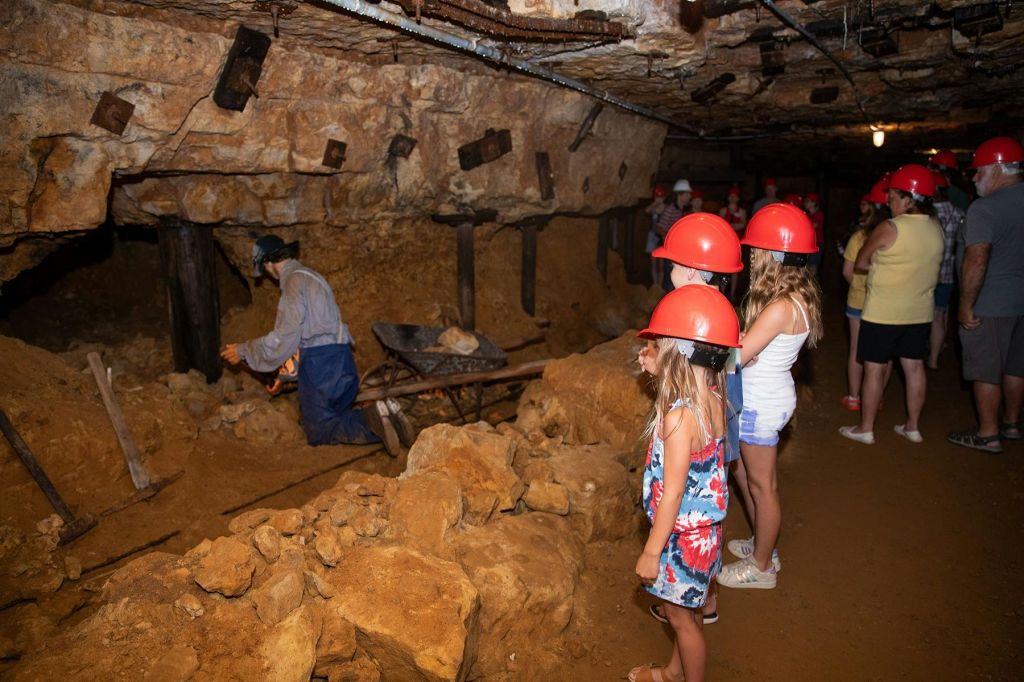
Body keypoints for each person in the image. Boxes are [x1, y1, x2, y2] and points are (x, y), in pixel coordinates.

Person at [629, 285, 740, 682]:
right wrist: (661, 366)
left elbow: (673, 492)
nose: (649, 353)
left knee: (682, 621)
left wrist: (651, 552)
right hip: (703, 535)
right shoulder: (713, 395)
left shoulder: (678, 420)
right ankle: (673, 672)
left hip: (678, 539)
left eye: (657, 347)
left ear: (677, 356)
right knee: (687, 613)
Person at [220, 235, 408, 455]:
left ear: (268, 263)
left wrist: (244, 350)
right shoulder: (312, 277)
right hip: (341, 358)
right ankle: (389, 415)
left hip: (321, 364)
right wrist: (282, 377)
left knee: (320, 430)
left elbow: (284, 337)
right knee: (335, 413)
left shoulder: (292, 283)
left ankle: (372, 421)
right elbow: (305, 340)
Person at [717, 204, 821, 591]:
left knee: (763, 486)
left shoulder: (779, 307)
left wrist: (708, 348)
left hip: (760, 403)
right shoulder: (795, 296)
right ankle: (764, 541)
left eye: (757, 250)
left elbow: (736, 357)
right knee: (744, 475)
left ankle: (762, 565)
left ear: (773, 255)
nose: (753, 256)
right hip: (764, 396)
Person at [647, 213, 743, 628]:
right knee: (710, 487)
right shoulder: (719, 309)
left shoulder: (695, 320)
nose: (668, 270)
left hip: (699, 423)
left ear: (690, 270)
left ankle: (691, 593)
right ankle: (704, 594)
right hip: (716, 415)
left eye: (672, 263)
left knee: (692, 486)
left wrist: (661, 367)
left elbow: (685, 389)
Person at [839, 165, 944, 446]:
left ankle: (866, 428)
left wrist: (878, 265)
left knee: (874, 368)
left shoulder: (890, 227)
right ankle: (912, 427)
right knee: (914, 368)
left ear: (910, 199)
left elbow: (861, 261)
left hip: (884, 311)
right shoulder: (936, 228)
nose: (889, 201)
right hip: (920, 313)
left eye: (894, 196)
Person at [948, 136, 1024, 453]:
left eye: (979, 171)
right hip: (1021, 303)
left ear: (996, 168)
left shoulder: (985, 208)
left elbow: (977, 258)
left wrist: (966, 305)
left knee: (986, 369)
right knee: (1016, 366)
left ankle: (988, 433)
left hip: (990, 303)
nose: (974, 178)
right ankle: (1011, 422)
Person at [928, 171, 965, 370]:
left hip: (926, 273)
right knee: (939, 316)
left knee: (920, 316)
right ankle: (934, 358)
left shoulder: (927, 214)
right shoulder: (959, 213)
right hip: (948, 273)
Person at [655, 180, 693, 291]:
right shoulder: (670, 209)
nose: (689, 196)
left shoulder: (682, 210)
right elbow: (658, 227)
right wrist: (669, 236)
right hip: (670, 249)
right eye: (687, 194)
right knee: (670, 276)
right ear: (679, 194)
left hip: (678, 249)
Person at [719, 187, 748, 302]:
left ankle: (732, 293)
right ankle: (722, 291)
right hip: (724, 243)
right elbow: (721, 225)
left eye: (735, 195)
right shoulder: (723, 210)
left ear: (738, 198)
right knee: (723, 267)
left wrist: (730, 225)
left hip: (737, 242)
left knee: (735, 268)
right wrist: (734, 224)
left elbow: (743, 225)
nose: (733, 197)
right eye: (731, 195)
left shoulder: (742, 212)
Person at [645, 186, 669, 287]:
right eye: (657, 197)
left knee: (661, 264)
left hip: (662, 236)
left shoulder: (667, 208)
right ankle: (655, 285)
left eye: (660, 197)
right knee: (653, 262)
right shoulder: (653, 207)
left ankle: (660, 285)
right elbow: (647, 210)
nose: (659, 198)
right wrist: (656, 203)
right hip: (653, 236)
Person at [804, 193, 825, 275]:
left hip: (817, 245)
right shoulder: (809, 215)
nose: (805, 203)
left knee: (813, 267)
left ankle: (812, 286)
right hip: (810, 244)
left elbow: (812, 227)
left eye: (807, 201)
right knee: (808, 267)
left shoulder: (818, 215)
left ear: (813, 203)